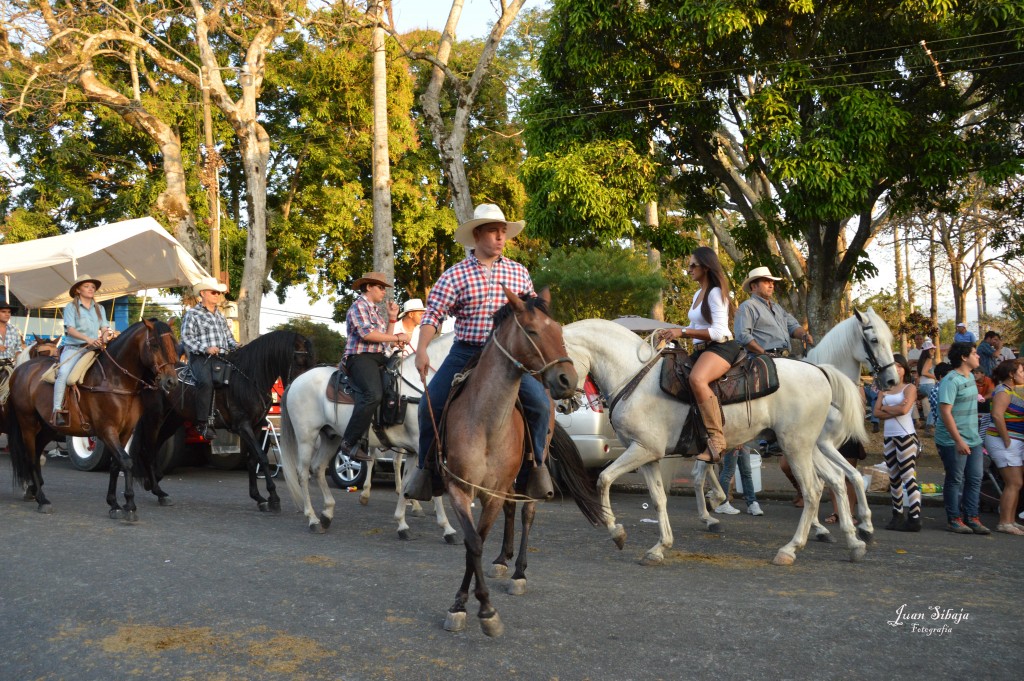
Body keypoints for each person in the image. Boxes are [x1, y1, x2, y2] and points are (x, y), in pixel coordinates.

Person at [404, 204, 552, 501]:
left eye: (503, 232)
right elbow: (433, 316)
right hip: (466, 353)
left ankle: (535, 468)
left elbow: (535, 311)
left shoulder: (518, 272)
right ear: (477, 234)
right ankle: (426, 470)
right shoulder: (454, 275)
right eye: (494, 232)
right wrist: (421, 350)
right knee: (428, 406)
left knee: (540, 405)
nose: (501, 237)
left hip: (509, 358)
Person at [655, 247, 744, 465]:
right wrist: (670, 332)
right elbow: (694, 326)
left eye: (693, 265)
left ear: (706, 266)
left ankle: (717, 439)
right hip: (702, 349)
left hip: (721, 347)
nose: (689, 269)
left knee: (697, 379)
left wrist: (681, 332)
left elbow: (718, 331)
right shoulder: (697, 294)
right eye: (689, 265)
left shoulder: (715, 293)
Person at [338, 271, 407, 462]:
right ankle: (349, 442)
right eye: (380, 287)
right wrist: (397, 337)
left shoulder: (375, 310)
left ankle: (385, 432)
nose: (384, 292)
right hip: (359, 358)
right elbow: (367, 335)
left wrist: (393, 318)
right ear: (368, 287)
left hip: (377, 356)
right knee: (373, 394)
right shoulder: (358, 306)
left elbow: (384, 341)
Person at [935, 342, 990, 535]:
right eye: (975, 354)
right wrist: (958, 440)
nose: (978, 357)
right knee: (955, 479)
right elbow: (945, 412)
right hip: (953, 440)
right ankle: (954, 519)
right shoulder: (951, 380)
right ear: (964, 357)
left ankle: (972, 517)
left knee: (975, 478)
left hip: (973, 438)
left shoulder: (971, 378)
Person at [181, 276, 240, 441]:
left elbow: (228, 337)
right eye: (214, 292)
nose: (218, 295)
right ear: (203, 293)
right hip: (200, 358)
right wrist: (205, 348)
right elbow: (187, 337)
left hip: (221, 357)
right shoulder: (193, 314)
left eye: (219, 293)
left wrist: (236, 346)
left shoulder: (220, 315)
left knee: (237, 379)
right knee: (206, 383)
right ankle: (203, 423)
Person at [52, 275, 112, 426]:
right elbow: (70, 330)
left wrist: (106, 336)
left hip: (95, 348)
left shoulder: (100, 308)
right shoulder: (71, 307)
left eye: (93, 287)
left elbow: (104, 327)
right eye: (86, 286)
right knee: (64, 373)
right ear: (78, 290)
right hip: (75, 348)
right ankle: (57, 410)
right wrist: (88, 339)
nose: (91, 289)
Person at [873, 354, 922, 532]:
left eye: (900, 366)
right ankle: (897, 513)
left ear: (904, 369)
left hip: (906, 436)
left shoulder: (909, 388)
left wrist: (885, 408)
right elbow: (876, 413)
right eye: (894, 366)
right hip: (889, 436)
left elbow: (904, 410)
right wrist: (891, 409)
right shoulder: (884, 389)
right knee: (893, 477)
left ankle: (915, 517)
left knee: (908, 476)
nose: (897, 369)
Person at [732, 266, 813, 357]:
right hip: (761, 358)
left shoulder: (777, 307)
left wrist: (804, 335)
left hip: (785, 356)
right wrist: (765, 353)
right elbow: (743, 336)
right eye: (766, 282)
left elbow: (793, 326)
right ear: (754, 286)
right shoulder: (747, 307)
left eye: (772, 282)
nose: (771, 286)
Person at [983, 359, 1024, 535]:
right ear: (1011, 374)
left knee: (1016, 483)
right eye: (1021, 371)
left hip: (1012, 441)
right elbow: (997, 415)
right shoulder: (1003, 391)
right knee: (1013, 482)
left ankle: (1010, 520)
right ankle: (1004, 522)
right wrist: (1006, 438)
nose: (1023, 374)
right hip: (1003, 441)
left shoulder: (1012, 391)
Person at [713, 445, 764, 516]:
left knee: (746, 472)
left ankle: (751, 503)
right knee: (728, 471)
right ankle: (722, 503)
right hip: (734, 440)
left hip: (743, 440)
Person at [916, 339, 937, 429]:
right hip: (929, 385)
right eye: (932, 349)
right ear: (928, 350)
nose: (934, 351)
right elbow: (924, 372)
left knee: (932, 405)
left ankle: (929, 422)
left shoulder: (921, 360)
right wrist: (935, 377)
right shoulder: (929, 359)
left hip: (922, 385)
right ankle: (929, 426)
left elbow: (919, 374)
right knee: (936, 405)